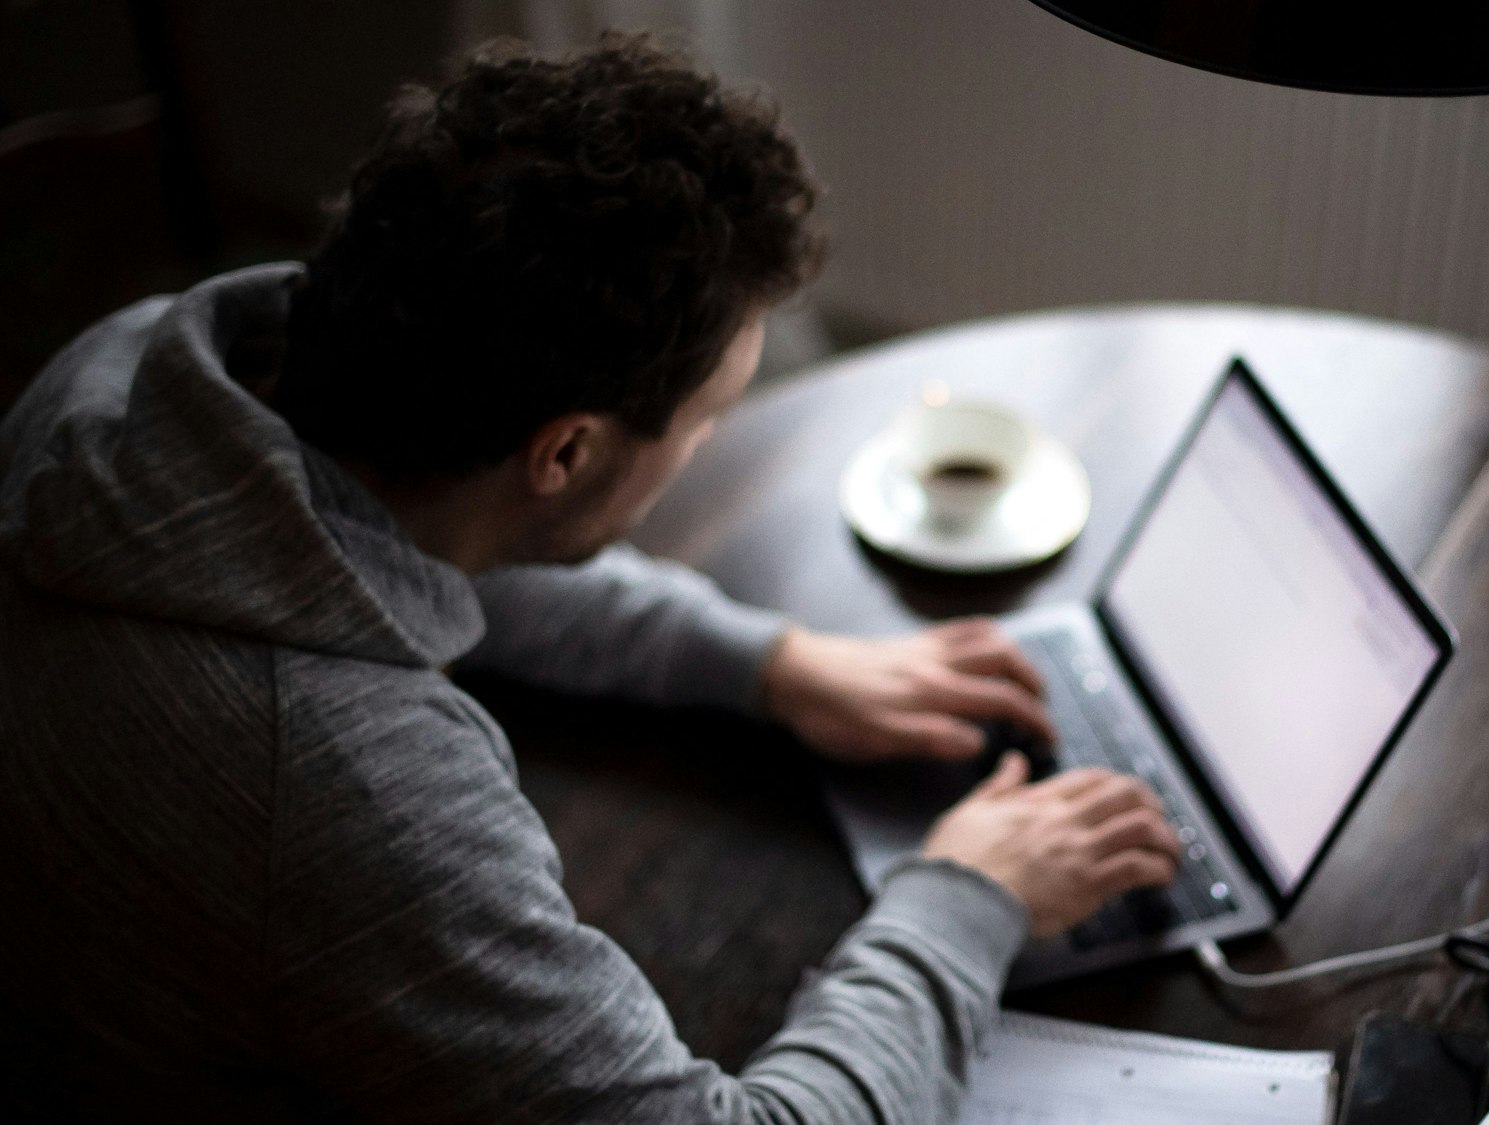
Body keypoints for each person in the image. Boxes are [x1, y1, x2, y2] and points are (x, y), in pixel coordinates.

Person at [0, 33, 1182, 1123]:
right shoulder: (341, 790)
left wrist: (767, 664)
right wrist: (967, 899)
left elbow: (416, 543)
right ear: (565, 452)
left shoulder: (124, 382)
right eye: (709, 421)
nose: (709, 441)